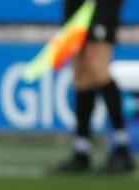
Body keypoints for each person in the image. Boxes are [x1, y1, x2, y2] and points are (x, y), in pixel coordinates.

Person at [56, 0, 135, 173]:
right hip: (76, 5)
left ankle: (121, 148)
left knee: (98, 68)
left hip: (101, 5)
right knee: (81, 75)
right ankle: (81, 150)